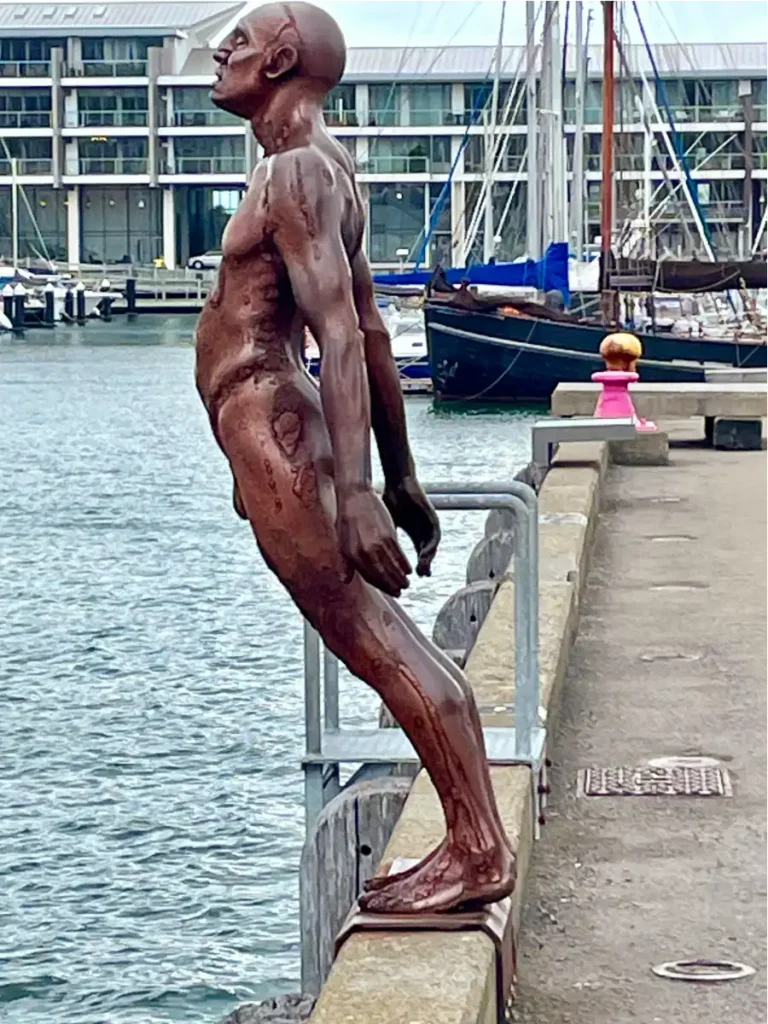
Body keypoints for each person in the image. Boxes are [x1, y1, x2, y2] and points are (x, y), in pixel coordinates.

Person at [194, 1, 514, 914]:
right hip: (270, 431)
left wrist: (365, 490)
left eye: (241, 44)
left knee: (375, 640)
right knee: (381, 637)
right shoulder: (329, 169)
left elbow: (339, 329)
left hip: (275, 422)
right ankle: (474, 838)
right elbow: (373, 332)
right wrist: (400, 473)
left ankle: (477, 847)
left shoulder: (294, 173)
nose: (221, 55)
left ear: (283, 58)